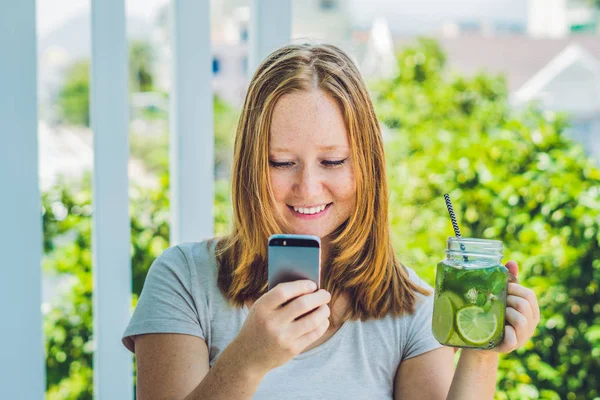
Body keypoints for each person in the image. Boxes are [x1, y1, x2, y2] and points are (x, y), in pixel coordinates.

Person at [122, 43, 540, 399]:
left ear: (368, 167)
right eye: (281, 162)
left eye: (333, 161)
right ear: (250, 167)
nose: (308, 187)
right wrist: (247, 361)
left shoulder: (412, 308)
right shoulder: (183, 279)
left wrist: (483, 350)